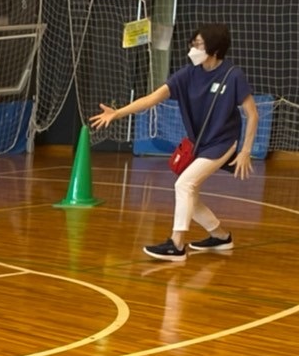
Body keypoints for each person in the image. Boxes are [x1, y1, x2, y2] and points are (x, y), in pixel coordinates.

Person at [91, 22, 257, 262]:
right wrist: (117, 113)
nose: (193, 48)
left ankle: (176, 245)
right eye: (193, 43)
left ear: (215, 49)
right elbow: (152, 98)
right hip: (200, 144)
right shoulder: (188, 74)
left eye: (198, 44)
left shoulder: (233, 75)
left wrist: (245, 151)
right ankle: (221, 237)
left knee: (183, 185)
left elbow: (252, 114)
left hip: (222, 142)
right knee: (191, 194)